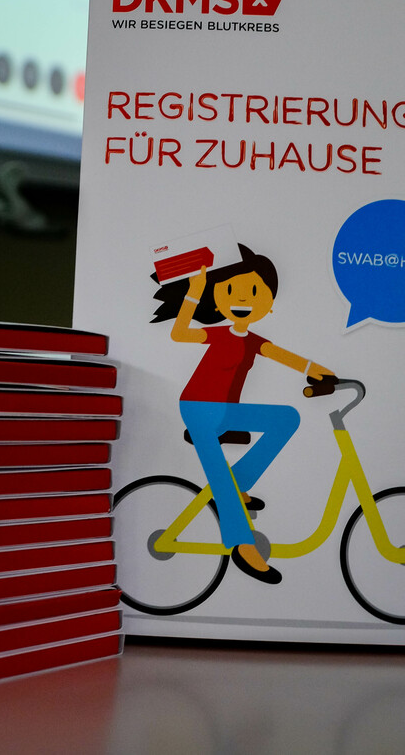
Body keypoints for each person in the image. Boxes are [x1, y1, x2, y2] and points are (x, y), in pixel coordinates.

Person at [153, 247, 333, 584]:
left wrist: (323, 373)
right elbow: (180, 334)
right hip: (197, 408)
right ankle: (241, 544)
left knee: (286, 418)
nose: (241, 299)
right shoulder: (219, 334)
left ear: (268, 304)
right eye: (231, 290)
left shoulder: (252, 341)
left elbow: (286, 357)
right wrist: (194, 292)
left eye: (253, 292)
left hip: (225, 412)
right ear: (218, 300)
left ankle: (240, 484)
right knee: (219, 478)